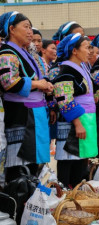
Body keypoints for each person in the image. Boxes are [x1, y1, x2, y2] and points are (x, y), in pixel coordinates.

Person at [0, 11, 53, 182]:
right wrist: (38, 85)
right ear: (11, 29)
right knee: (20, 168)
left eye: (31, 27)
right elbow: (9, 82)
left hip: (34, 114)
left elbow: (35, 78)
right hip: (21, 115)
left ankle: (30, 202)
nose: (30, 32)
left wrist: (45, 86)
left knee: (33, 166)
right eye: (26, 27)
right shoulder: (7, 52)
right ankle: (17, 201)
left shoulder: (26, 54)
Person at [52, 33, 98, 187]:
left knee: (80, 159)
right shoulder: (66, 71)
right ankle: (64, 193)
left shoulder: (81, 68)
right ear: (74, 51)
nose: (90, 51)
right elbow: (64, 99)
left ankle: (76, 193)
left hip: (86, 119)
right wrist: (78, 124)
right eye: (87, 47)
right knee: (68, 159)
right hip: (72, 122)